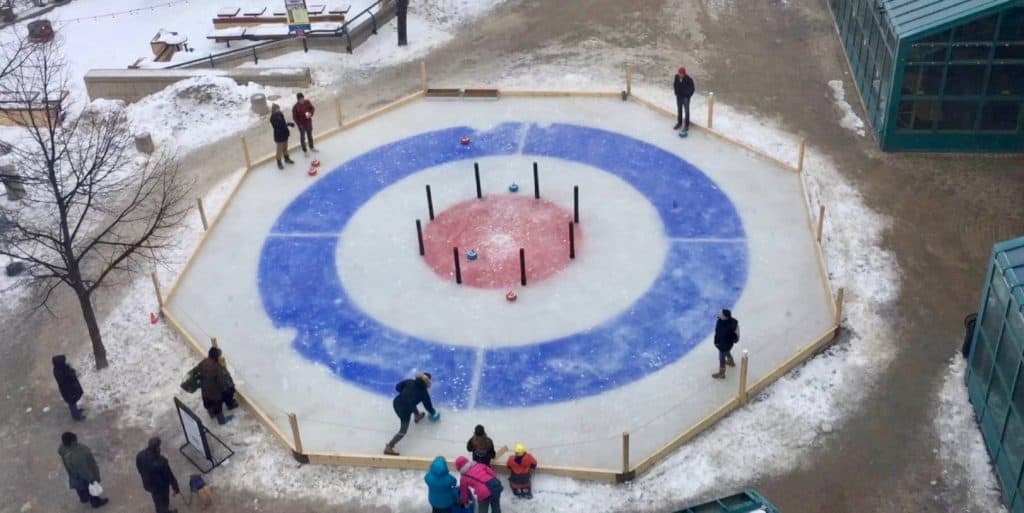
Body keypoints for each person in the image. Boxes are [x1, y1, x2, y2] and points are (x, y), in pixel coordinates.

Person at [384, 372, 439, 455]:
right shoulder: (424, 393)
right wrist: (433, 413)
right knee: (403, 431)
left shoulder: (409, 382)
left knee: (411, 404)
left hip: (396, 403)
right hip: (406, 411)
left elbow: (397, 387)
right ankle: (389, 447)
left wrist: (404, 394)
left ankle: (417, 415)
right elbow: (428, 407)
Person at [58, 432, 108, 508]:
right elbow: (84, 470)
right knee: (90, 488)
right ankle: (96, 502)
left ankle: (84, 498)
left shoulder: (62, 448)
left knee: (79, 487)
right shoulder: (78, 455)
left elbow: (60, 452)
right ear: (72, 443)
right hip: (84, 476)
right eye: (75, 440)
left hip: (73, 474)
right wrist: (92, 479)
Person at [135, 437, 180, 513]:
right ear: (157, 448)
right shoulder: (161, 462)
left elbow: (139, 468)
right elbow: (169, 476)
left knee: (157, 500)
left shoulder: (140, 455)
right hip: (161, 487)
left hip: (148, 484)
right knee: (162, 503)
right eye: (159, 447)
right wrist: (175, 487)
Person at [197, 347, 234, 424]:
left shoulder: (203, 362)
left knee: (209, 397)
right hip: (214, 396)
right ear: (216, 357)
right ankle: (222, 420)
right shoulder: (216, 367)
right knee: (229, 389)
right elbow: (222, 383)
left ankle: (211, 413)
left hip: (205, 393)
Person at [52, 355, 84, 421]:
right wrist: (71, 372)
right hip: (68, 390)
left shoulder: (59, 368)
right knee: (72, 403)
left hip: (70, 389)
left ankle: (76, 412)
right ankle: (77, 417)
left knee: (73, 402)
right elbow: (68, 378)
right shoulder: (60, 372)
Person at [712, 309, 740, 379]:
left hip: (726, 344)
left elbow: (737, 334)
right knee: (727, 352)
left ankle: (722, 373)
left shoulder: (732, 324)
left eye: (721, 314)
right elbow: (717, 331)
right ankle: (731, 362)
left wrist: (734, 340)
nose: (719, 315)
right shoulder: (720, 320)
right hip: (721, 343)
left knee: (721, 358)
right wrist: (716, 341)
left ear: (725, 317)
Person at [270, 103, 295, 170]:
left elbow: (283, 123)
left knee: (285, 148)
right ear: (274, 110)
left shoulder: (280, 114)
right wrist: (288, 124)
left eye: (278, 108)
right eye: (277, 109)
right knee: (279, 150)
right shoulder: (272, 118)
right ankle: (279, 162)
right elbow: (279, 126)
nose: (278, 110)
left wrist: (288, 125)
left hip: (284, 134)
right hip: (279, 136)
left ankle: (287, 158)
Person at [673, 66, 695, 132]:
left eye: (681, 74)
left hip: (685, 98)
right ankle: (679, 123)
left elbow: (692, 89)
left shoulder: (689, 79)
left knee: (686, 111)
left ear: (684, 74)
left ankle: (686, 125)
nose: (680, 75)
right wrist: (676, 92)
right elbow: (675, 85)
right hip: (679, 97)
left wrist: (688, 96)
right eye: (679, 73)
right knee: (679, 110)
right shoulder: (676, 77)